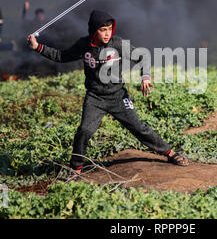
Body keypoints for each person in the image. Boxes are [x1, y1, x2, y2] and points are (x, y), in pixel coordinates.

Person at [26, 10, 189, 176]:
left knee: (139, 128)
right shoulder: (84, 45)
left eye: (110, 29)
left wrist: (145, 77)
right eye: (103, 30)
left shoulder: (116, 43)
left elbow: (141, 57)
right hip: (95, 98)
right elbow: (61, 56)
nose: (107, 33)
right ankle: (76, 169)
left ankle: (169, 153)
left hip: (118, 96)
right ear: (94, 30)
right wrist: (37, 47)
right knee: (84, 131)